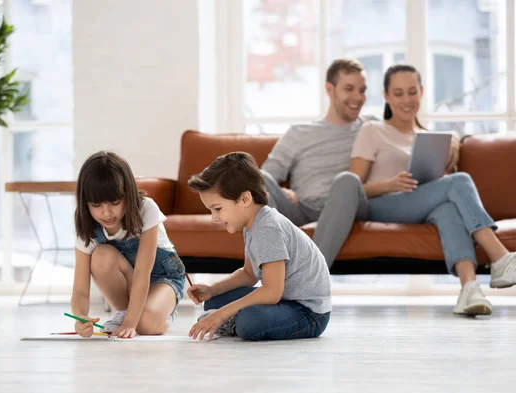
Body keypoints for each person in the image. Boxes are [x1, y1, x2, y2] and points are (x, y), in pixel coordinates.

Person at [261, 58, 462, 268]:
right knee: (258, 178)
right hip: (303, 208)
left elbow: (409, 133)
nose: (358, 97)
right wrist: (284, 192)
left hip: (350, 205)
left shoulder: (371, 126)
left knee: (348, 180)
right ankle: (274, 271)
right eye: (349, 89)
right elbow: (266, 175)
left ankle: (313, 275)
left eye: (362, 90)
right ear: (329, 90)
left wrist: (454, 137)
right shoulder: (299, 133)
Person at [350, 64, 516, 316]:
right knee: (460, 181)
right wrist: (390, 184)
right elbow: (352, 188)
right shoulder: (372, 130)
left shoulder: (428, 137)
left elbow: (440, 185)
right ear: (386, 95)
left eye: (412, 92)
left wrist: (449, 156)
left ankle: (469, 289)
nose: (407, 100)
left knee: (448, 209)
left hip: (419, 203)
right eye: (398, 93)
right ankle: (500, 257)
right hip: (381, 205)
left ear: (422, 92)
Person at [186, 152, 331, 341]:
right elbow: (249, 274)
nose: (214, 218)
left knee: (249, 321)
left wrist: (221, 314)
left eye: (218, 209)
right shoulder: (253, 223)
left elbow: (272, 292)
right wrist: (212, 290)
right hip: (285, 301)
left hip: (308, 313)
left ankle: (234, 320)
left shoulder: (267, 228)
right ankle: (231, 317)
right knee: (215, 300)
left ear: (245, 199)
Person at [71, 151, 186, 338]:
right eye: (96, 205)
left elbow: (142, 272)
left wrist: (131, 324)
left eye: (115, 202)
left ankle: (160, 315)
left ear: (128, 194)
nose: (107, 213)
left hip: (162, 278)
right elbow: (80, 288)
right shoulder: (86, 226)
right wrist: (81, 317)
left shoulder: (146, 209)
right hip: (130, 284)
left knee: (145, 326)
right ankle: (128, 312)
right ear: (85, 203)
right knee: (101, 255)